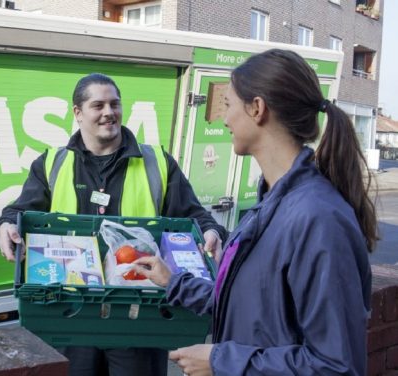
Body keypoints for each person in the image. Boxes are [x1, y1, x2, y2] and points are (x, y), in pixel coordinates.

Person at [134, 49, 377, 376]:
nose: (224, 118)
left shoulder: (317, 219)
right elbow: (251, 308)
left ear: (257, 108)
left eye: (229, 105)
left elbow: (336, 366)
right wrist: (174, 282)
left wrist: (220, 361)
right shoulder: (270, 206)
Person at [0, 72, 227, 376]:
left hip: (139, 319)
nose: (108, 113)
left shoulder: (157, 163)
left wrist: (211, 231)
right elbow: (18, 214)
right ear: (77, 113)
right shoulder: (52, 163)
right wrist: (4, 227)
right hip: (74, 318)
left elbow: (196, 216)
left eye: (115, 104)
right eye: (98, 105)